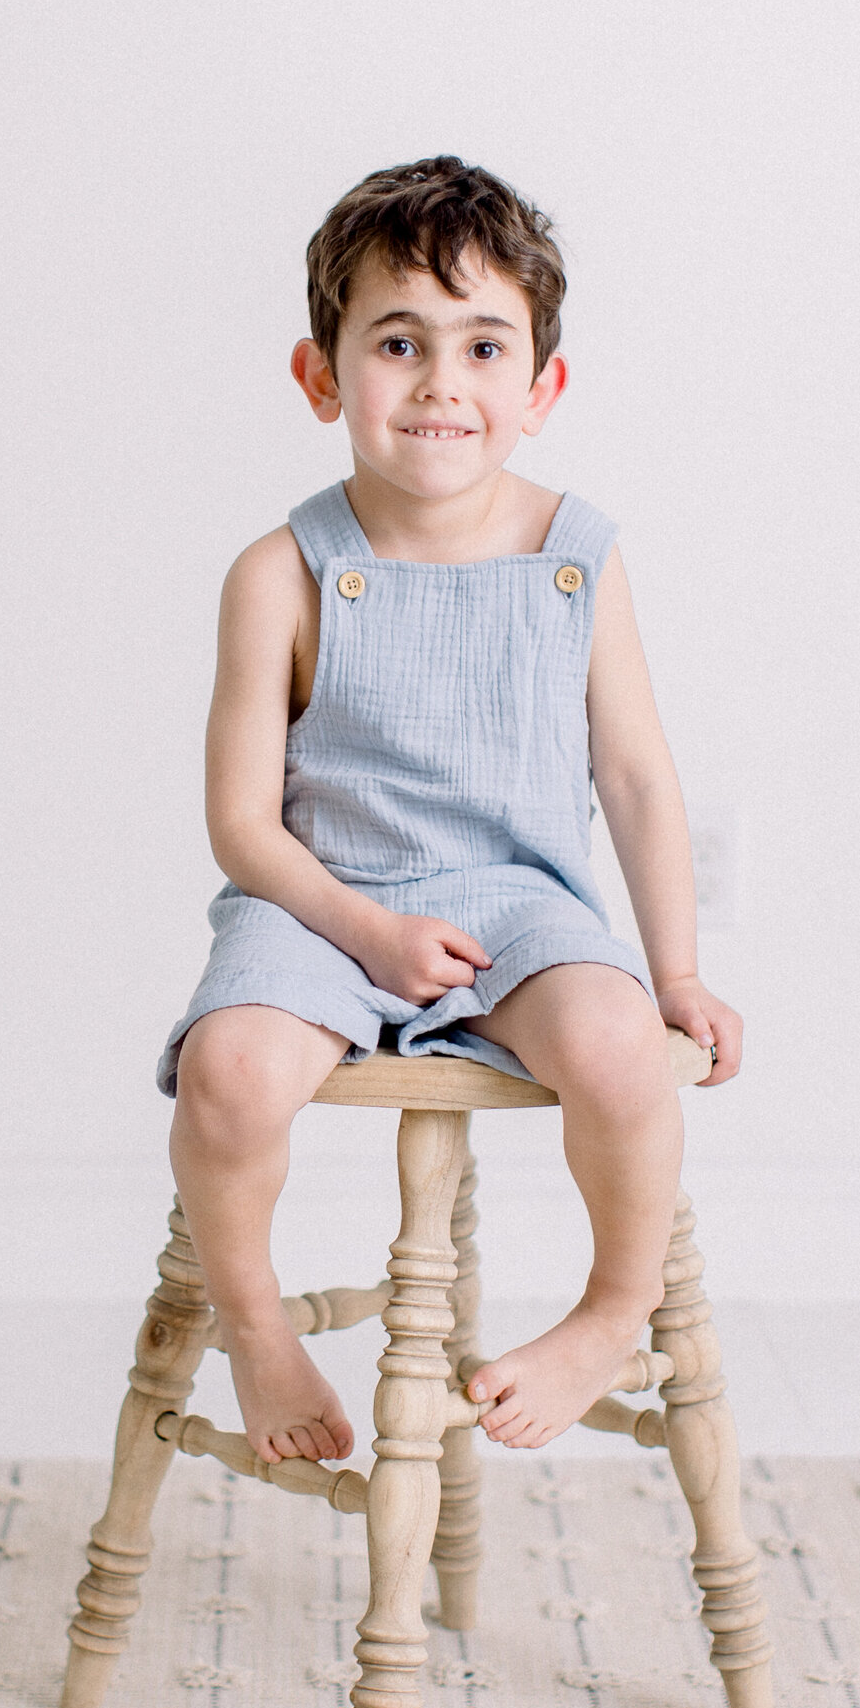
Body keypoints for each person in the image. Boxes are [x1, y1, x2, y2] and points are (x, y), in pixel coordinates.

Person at [158, 155, 741, 1468]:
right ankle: (256, 1322)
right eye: (399, 342)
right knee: (230, 1071)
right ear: (322, 377)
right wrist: (361, 928)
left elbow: (638, 778)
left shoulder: (575, 560)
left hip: (517, 901)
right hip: (320, 901)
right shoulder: (283, 573)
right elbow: (244, 822)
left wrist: (679, 970)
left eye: (485, 347)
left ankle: (609, 1307)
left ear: (541, 390)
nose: (441, 384)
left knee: (617, 1051)